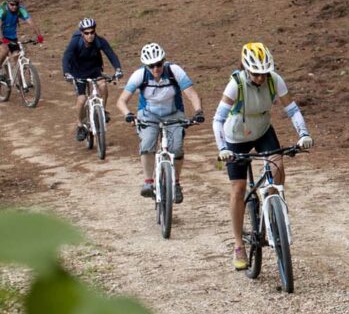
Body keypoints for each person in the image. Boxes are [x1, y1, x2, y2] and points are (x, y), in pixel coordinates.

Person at [213, 42, 314, 270]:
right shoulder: (235, 84)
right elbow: (218, 119)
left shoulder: (274, 80)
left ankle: (273, 210)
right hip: (236, 138)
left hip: (262, 131)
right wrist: (222, 148)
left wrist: (303, 134)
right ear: (246, 69)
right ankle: (239, 245)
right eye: (256, 74)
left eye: (264, 73)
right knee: (238, 189)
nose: (260, 78)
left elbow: (292, 109)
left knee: (277, 168)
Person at [115, 43, 204, 203]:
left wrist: (198, 111)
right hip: (149, 115)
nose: (156, 69)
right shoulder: (140, 75)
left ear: (164, 61)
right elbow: (121, 100)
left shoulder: (174, 71)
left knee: (176, 148)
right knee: (148, 143)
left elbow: (191, 93)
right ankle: (148, 182)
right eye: (151, 66)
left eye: (159, 64)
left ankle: (175, 183)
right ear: (146, 65)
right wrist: (127, 114)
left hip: (173, 114)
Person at [62, 17, 124, 141]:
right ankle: (80, 125)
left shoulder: (99, 41)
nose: (90, 35)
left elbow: (111, 54)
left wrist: (118, 69)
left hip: (94, 69)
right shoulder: (75, 42)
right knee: (82, 99)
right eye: (86, 33)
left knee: (103, 85)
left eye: (92, 32)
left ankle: (102, 110)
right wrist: (67, 73)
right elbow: (66, 57)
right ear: (81, 33)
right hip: (78, 72)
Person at [0, 0, 44, 81]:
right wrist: (2, 38)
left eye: (16, 4)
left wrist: (39, 35)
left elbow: (31, 22)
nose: (15, 7)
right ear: (7, 3)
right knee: (5, 49)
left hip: (11, 36)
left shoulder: (20, 10)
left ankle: (20, 83)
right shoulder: (1, 10)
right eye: (12, 4)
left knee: (17, 57)